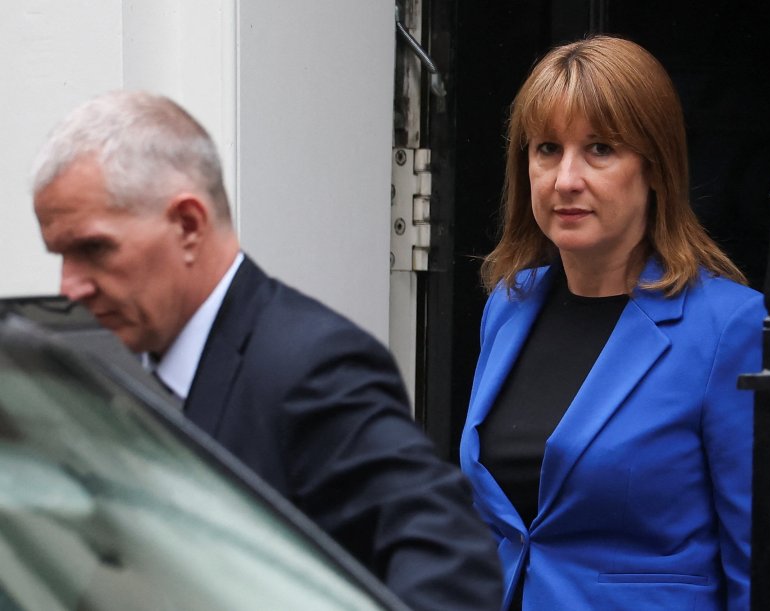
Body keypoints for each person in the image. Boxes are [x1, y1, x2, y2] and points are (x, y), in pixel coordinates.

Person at [31, 90, 503, 611]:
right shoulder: (109, 370)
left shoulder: (311, 366)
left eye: (93, 248)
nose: (70, 287)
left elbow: (450, 560)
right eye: (60, 256)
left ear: (188, 225)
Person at [458, 35, 770, 610]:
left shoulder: (734, 330)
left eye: (599, 149)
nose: (565, 178)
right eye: (547, 148)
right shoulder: (510, 305)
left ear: (655, 167)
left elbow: (769, 574)